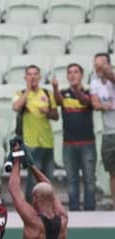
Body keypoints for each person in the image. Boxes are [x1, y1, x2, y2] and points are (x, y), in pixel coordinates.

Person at [54, 64, 96, 211]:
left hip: (87, 143)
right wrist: (54, 88)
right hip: (68, 144)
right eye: (70, 72)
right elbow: (58, 102)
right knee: (72, 180)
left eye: (76, 72)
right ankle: (74, 211)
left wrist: (76, 90)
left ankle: (90, 210)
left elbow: (86, 101)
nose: (72, 75)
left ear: (82, 74)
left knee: (89, 179)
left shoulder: (90, 92)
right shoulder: (62, 93)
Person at [12, 65, 58, 198]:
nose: (32, 77)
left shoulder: (47, 93)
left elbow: (56, 115)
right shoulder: (20, 94)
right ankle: (31, 209)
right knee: (32, 180)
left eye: (35, 74)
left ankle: (48, 211)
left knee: (47, 179)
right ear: (25, 77)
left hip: (47, 141)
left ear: (40, 77)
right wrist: (27, 90)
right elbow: (16, 107)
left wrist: (48, 112)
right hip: (30, 143)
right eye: (29, 74)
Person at [91, 53, 115, 204]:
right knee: (113, 173)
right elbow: (95, 103)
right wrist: (101, 105)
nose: (98, 66)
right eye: (96, 64)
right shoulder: (94, 83)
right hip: (108, 134)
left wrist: (107, 71)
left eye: (102, 63)